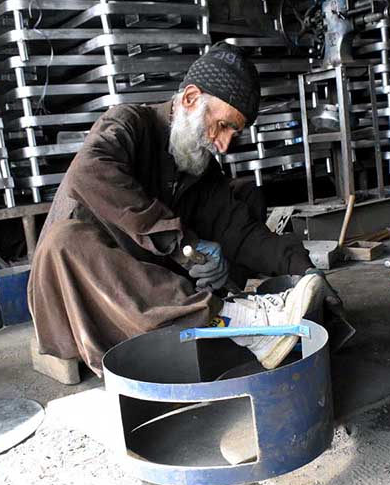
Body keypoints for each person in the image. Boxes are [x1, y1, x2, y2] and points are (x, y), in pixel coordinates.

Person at [27, 42, 324, 376]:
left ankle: (223, 304)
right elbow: (87, 172)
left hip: (153, 283)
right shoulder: (128, 123)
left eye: (233, 134)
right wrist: (183, 244)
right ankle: (233, 317)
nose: (224, 145)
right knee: (66, 241)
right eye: (223, 125)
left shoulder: (200, 167)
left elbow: (240, 232)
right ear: (190, 98)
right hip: (84, 284)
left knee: (243, 192)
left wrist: (304, 270)